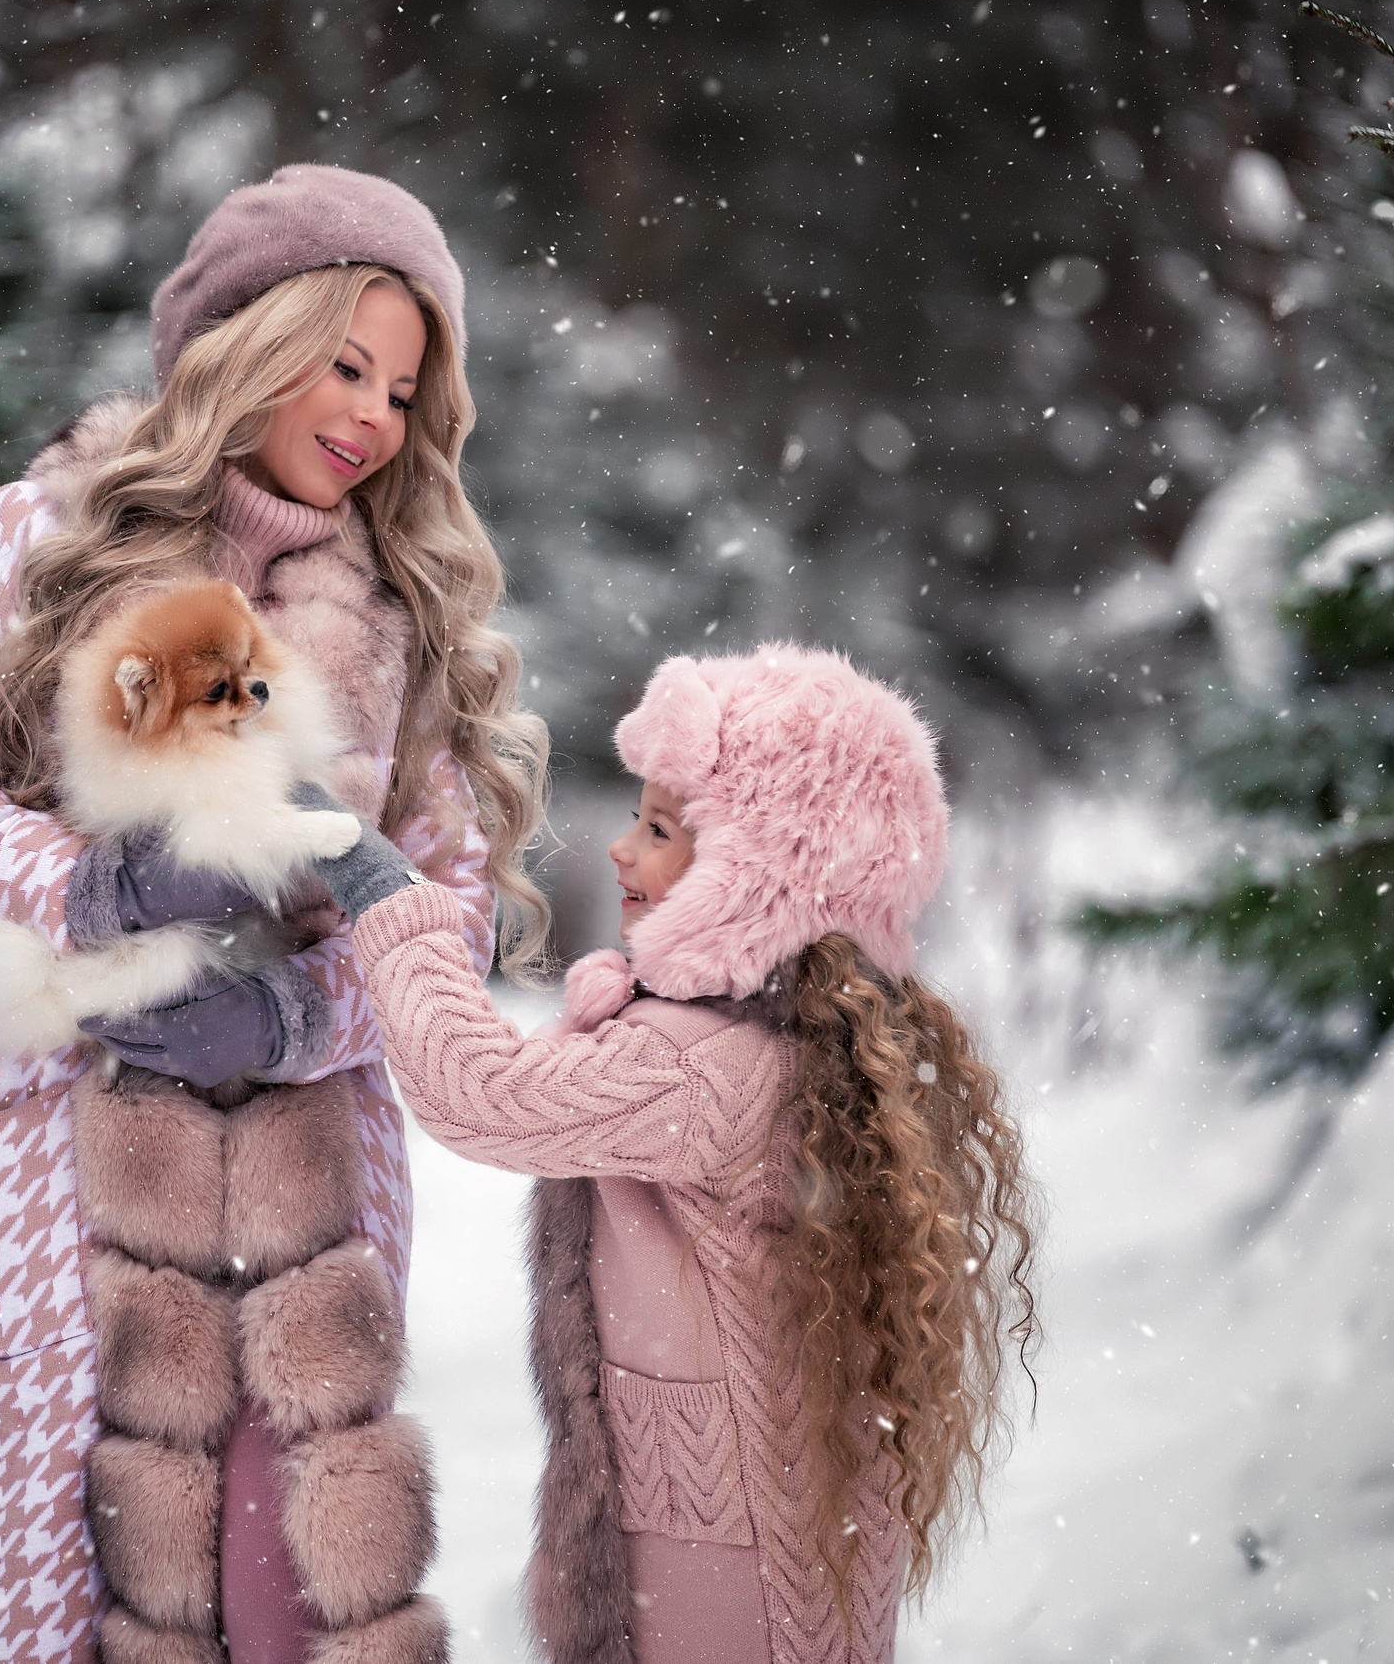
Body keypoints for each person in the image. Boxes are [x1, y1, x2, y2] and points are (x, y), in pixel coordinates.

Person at [0, 164, 547, 1664]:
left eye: (406, 387)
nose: (373, 415)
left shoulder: (398, 615)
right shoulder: (31, 540)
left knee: (293, 1606)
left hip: (307, 1212)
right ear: (244, 336)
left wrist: (300, 1015)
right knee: (50, 1612)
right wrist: (93, 885)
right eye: (344, 362)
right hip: (46, 1176)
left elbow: (453, 917)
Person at [300, 646, 1041, 1664]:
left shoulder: (699, 1067)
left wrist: (388, 899)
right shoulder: (786, 1043)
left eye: (658, 830)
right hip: (771, 1525)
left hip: (719, 1553)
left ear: (752, 878)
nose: (619, 852)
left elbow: (479, 1095)